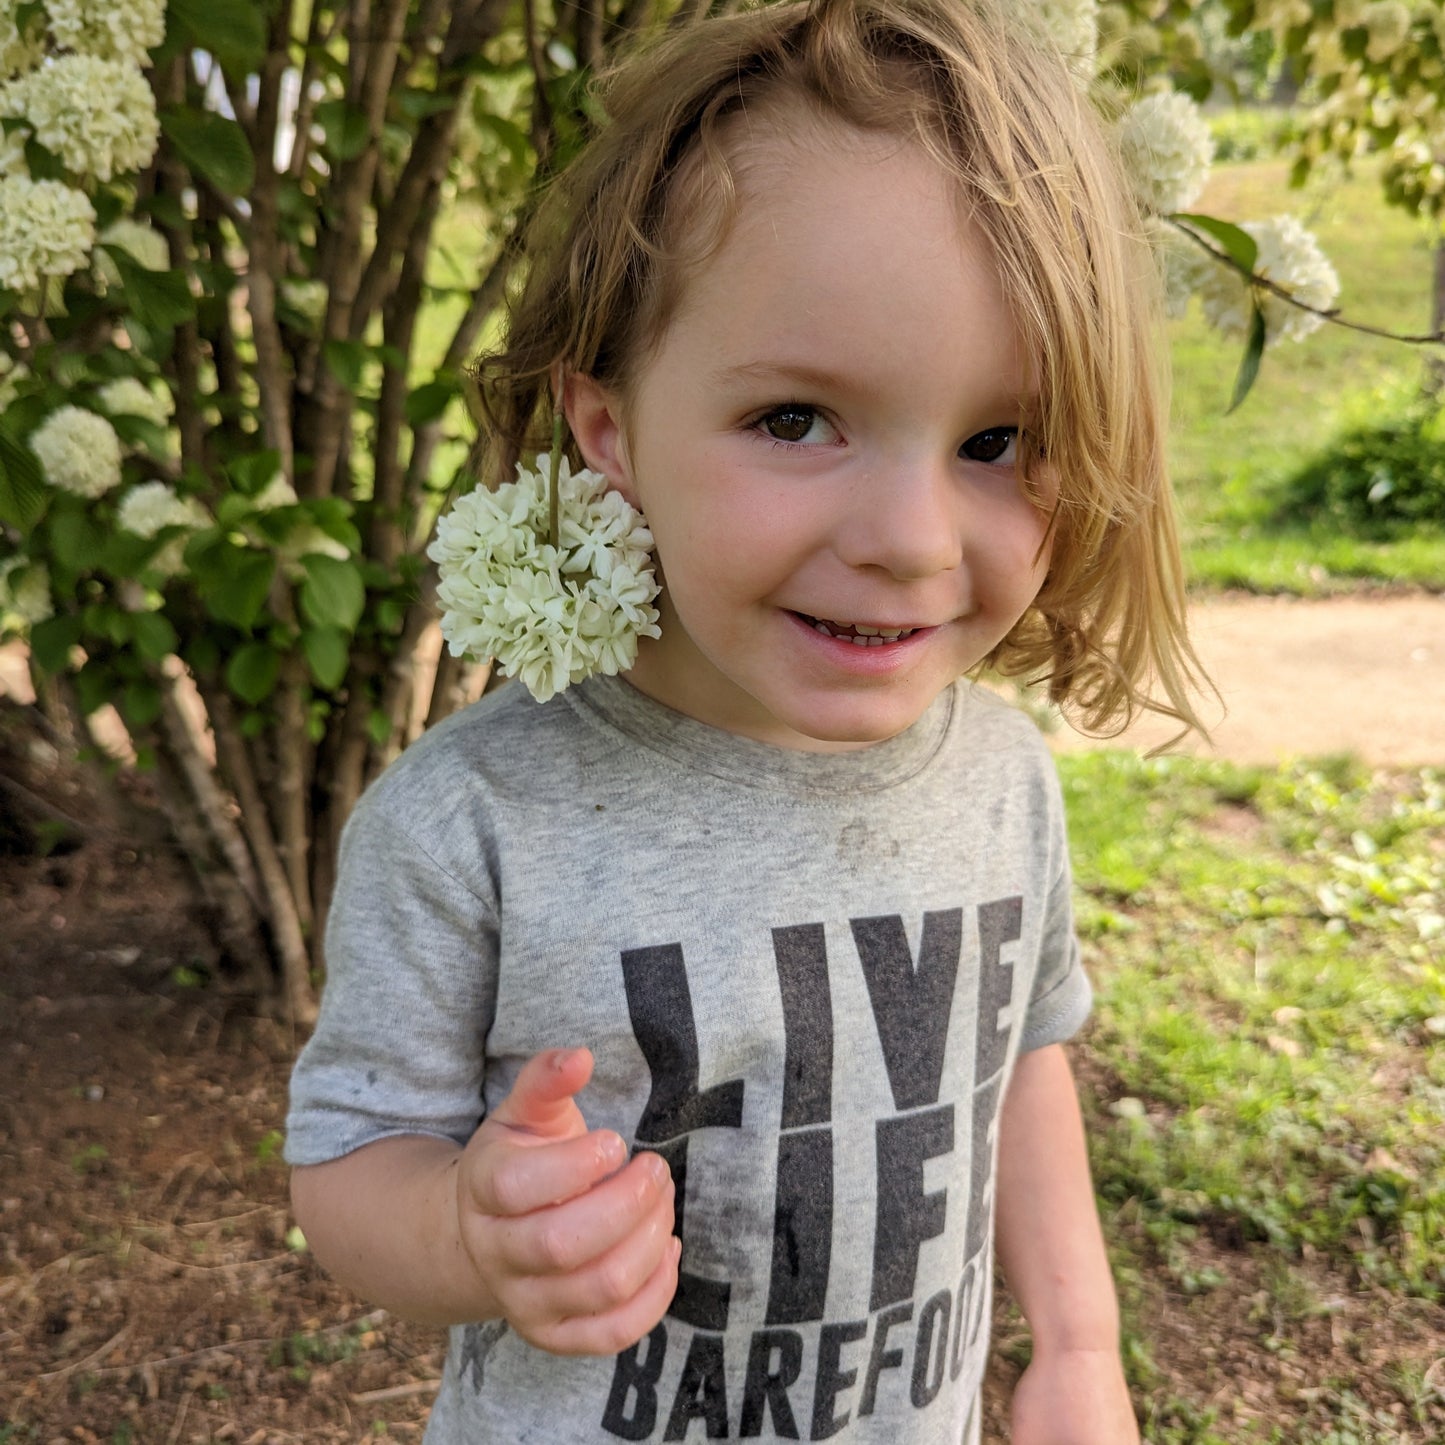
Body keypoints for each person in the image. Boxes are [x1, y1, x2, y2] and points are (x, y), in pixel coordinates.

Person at [285, 0, 1204, 1440]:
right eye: (794, 419)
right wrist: (467, 1231)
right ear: (610, 429)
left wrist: (1078, 1342)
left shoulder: (998, 780)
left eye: (995, 441)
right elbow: (348, 1158)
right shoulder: (476, 823)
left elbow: (1015, 1060)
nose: (908, 537)